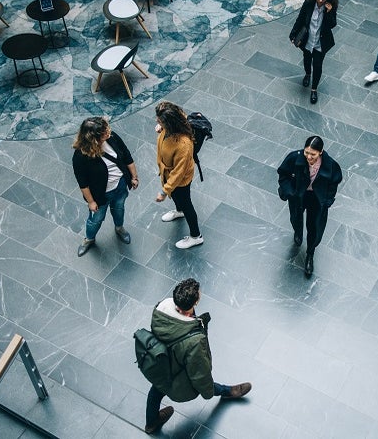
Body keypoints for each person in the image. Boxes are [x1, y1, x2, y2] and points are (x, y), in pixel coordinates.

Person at [144, 278, 252, 434]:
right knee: (204, 383)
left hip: (160, 365)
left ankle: (151, 424)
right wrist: (207, 392)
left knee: (155, 391)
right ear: (196, 301)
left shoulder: (161, 308)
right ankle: (226, 391)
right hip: (178, 373)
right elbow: (199, 374)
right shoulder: (194, 341)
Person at [72, 117, 138, 257]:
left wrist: (134, 177)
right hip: (99, 194)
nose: (109, 132)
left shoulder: (112, 137)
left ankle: (119, 228)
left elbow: (126, 156)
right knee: (96, 219)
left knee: (119, 208)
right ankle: (89, 239)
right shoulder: (80, 156)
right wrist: (91, 201)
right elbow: (82, 182)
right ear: (94, 138)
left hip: (120, 185)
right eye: (104, 132)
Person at [277, 136, 342, 277]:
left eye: (313, 154)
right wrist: (290, 192)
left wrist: (327, 200)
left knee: (314, 227)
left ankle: (310, 255)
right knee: (295, 218)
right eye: (307, 152)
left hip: (317, 199)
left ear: (321, 152)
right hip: (298, 195)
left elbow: (333, 183)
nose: (309, 156)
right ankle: (298, 233)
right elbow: (283, 174)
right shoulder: (294, 158)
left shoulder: (330, 165)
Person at [155, 101, 203, 249]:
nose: (157, 121)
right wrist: (162, 127)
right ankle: (179, 211)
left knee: (186, 203)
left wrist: (164, 191)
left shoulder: (183, 144)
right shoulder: (173, 123)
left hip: (179, 179)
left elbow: (178, 172)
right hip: (168, 174)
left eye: (160, 121)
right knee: (177, 198)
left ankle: (196, 236)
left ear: (171, 123)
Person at [289, 0, 338, 105]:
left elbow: (332, 25)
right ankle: (307, 74)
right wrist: (293, 34)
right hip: (308, 39)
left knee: (317, 65)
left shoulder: (330, 7)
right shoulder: (309, 3)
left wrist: (329, 12)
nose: (320, 0)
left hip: (320, 42)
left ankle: (314, 89)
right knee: (306, 59)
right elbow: (300, 19)